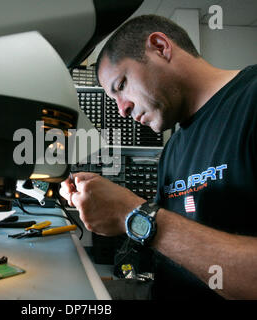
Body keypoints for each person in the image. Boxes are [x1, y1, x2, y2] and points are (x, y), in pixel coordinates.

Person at [60, 14, 257, 300]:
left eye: (121, 86)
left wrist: (133, 213)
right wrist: (109, 206)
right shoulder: (174, 147)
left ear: (161, 47)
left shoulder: (251, 100)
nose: (122, 111)